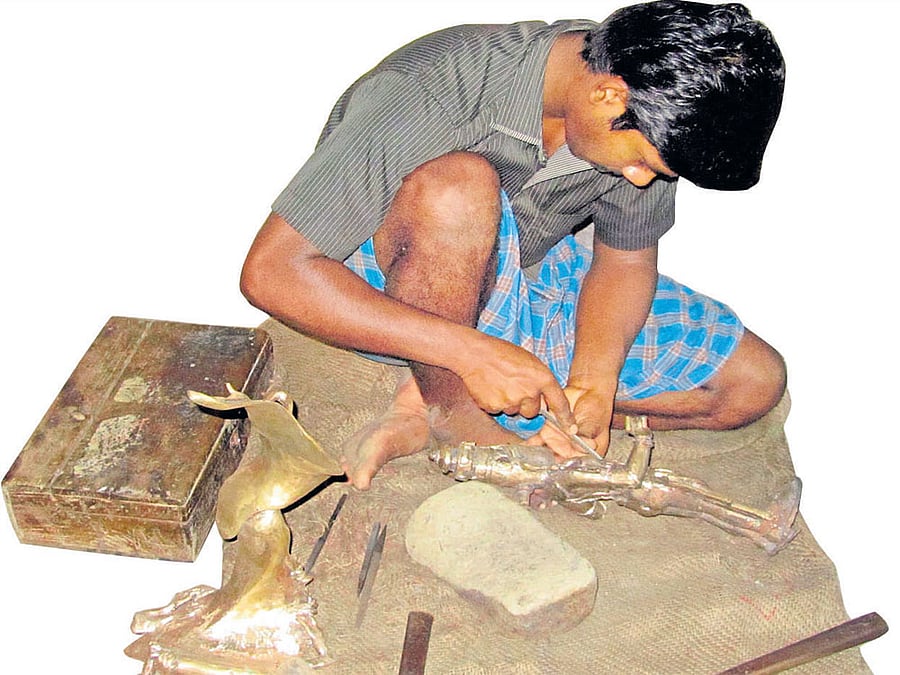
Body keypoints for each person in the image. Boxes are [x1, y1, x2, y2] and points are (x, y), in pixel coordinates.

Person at [240, 0, 787, 489]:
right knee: (459, 188)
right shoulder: (433, 86)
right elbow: (273, 273)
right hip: (390, 287)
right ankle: (448, 411)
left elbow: (624, 261)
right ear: (607, 94)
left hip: (527, 274)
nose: (642, 180)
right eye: (643, 161)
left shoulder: (635, 106)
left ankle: (476, 398)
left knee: (752, 383)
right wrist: (470, 353)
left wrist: (593, 382)